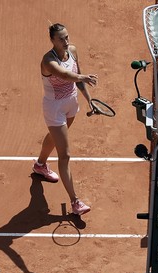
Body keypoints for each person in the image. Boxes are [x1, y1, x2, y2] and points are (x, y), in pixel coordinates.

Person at [33, 22, 98, 216]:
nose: (65, 41)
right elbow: (65, 74)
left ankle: (40, 165)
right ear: (52, 40)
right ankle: (75, 202)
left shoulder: (73, 50)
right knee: (65, 155)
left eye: (66, 37)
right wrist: (82, 77)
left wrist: (89, 100)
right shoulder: (48, 61)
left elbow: (77, 79)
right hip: (54, 108)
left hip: (71, 104)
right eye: (61, 39)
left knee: (54, 137)